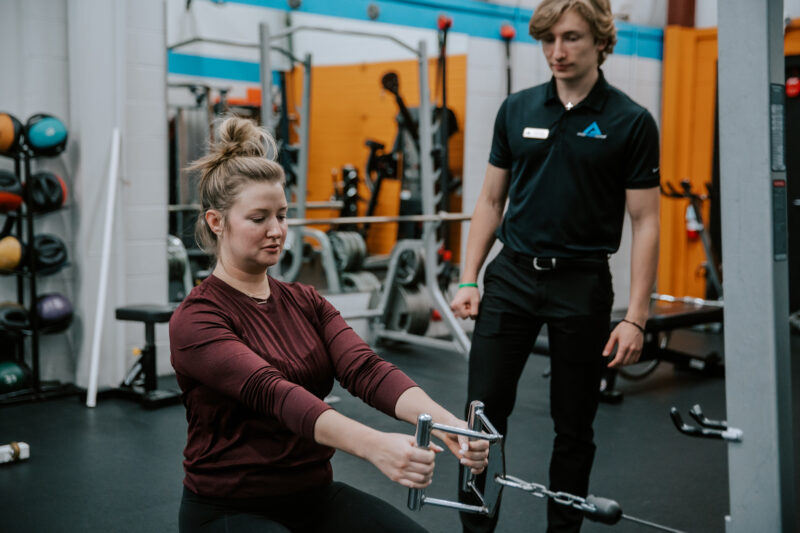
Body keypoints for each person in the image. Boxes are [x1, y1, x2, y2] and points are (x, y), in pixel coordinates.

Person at [170, 116, 489, 533]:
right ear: (216, 222)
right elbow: (275, 394)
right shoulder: (197, 319)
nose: (276, 231)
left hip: (314, 496)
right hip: (230, 509)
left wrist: (450, 424)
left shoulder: (306, 301)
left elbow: (366, 370)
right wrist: (375, 446)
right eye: (258, 218)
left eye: (282, 215)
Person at [450, 1, 660, 532]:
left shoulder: (630, 121)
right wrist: (469, 275)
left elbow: (646, 221)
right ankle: (475, 529)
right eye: (547, 40)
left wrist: (636, 315)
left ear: (600, 42)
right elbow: (490, 201)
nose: (556, 52)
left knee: (574, 428)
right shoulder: (517, 109)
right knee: (482, 420)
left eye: (570, 39)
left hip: (581, 284)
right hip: (512, 276)